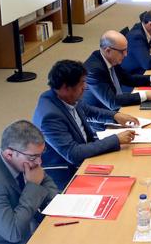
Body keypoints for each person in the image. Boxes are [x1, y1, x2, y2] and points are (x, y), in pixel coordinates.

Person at [33, 60, 139, 189]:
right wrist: (116, 139)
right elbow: (74, 154)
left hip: (86, 149)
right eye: (82, 83)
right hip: (69, 171)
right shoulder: (50, 117)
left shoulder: (64, 97)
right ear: (66, 87)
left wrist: (115, 116)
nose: (85, 86)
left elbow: (88, 110)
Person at [82, 30, 151, 111]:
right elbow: (112, 102)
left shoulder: (110, 58)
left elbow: (128, 79)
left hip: (117, 108)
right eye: (122, 51)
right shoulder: (94, 71)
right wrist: (145, 95)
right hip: (103, 118)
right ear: (108, 50)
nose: (126, 54)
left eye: (126, 50)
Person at [121, 10, 151, 75]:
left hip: (143, 68)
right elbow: (147, 64)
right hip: (135, 74)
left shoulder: (150, 31)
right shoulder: (136, 37)